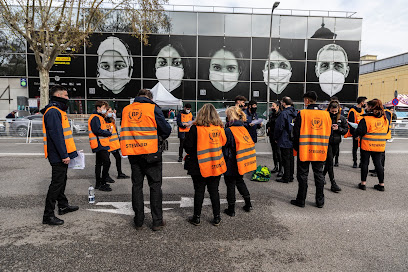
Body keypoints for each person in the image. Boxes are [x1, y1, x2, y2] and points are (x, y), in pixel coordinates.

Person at [120, 89, 171, 231]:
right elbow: (166, 130)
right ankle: (157, 221)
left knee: (137, 186)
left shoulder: (126, 109)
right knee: (155, 186)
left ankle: (138, 221)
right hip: (151, 153)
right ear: (150, 97)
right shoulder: (153, 108)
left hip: (133, 152)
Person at [40, 85, 79, 225]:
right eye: (66, 96)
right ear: (59, 95)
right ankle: (48, 215)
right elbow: (57, 136)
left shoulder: (57, 111)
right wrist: (64, 155)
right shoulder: (53, 112)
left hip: (60, 154)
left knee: (61, 181)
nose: (68, 98)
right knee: (56, 184)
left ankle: (63, 205)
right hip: (57, 155)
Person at [184, 103, 227, 226]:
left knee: (199, 191)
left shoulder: (195, 128)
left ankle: (196, 217)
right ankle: (217, 217)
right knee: (214, 191)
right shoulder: (219, 128)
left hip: (199, 164)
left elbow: (188, 147)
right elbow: (224, 143)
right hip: (216, 163)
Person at [291, 91, 332, 208]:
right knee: (319, 175)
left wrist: (296, 148)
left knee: (302, 175)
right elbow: (330, 132)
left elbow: (296, 133)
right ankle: (320, 201)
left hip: (305, 149)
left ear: (307, 101)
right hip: (320, 149)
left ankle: (301, 200)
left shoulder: (302, 113)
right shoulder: (326, 114)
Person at [223, 106, 255, 217]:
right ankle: (248, 203)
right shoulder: (243, 128)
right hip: (241, 160)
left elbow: (224, 145)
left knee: (230, 185)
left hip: (230, 161)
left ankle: (231, 209)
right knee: (240, 181)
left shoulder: (228, 130)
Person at [355, 99, 389, 191]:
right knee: (378, 164)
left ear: (370, 107)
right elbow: (386, 131)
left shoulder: (366, 119)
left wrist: (356, 131)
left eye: (367, 106)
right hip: (379, 145)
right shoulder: (384, 118)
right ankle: (381, 184)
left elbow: (360, 131)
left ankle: (363, 184)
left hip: (367, 145)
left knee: (365, 163)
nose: (365, 107)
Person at [323, 100, 348, 192]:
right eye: (332, 111)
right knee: (330, 161)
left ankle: (322, 175)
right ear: (329, 109)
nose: (334, 113)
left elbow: (346, 130)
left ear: (338, 110)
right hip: (327, 142)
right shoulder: (325, 117)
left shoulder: (341, 118)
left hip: (336, 142)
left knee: (330, 161)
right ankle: (333, 183)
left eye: (335, 111)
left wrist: (339, 129)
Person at [88, 100, 113, 192]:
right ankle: (102, 182)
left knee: (99, 164)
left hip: (100, 143)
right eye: (103, 108)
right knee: (106, 162)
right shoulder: (95, 117)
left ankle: (99, 183)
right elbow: (97, 130)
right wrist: (108, 133)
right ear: (98, 108)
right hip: (100, 144)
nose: (105, 110)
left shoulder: (99, 117)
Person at [274, 97, 297, 183]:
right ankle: (290, 176)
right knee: (291, 158)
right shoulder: (295, 112)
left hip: (284, 138)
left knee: (285, 159)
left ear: (283, 103)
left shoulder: (284, 113)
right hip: (292, 138)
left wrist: (276, 137)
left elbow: (279, 127)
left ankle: (286, 177)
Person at [105, 107, 129, 179]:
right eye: (109, 111)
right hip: (108, 144)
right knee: (107, 161)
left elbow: (115, 132)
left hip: (114, 144)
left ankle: (120, 173)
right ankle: (106, 175)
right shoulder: (104, 121)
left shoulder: (112, 121)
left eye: (111, 111)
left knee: (118, 158)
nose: (111, 113)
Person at [345, 96, 367, 168]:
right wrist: (355, 134)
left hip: (361, 133)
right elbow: (351, 124)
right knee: (355, 148)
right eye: (365, 102)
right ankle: (355, 162)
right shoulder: (352, 111)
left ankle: (361, 162)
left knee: (362, 148)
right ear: (362, 102)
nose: (365, 104)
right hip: (355, 133)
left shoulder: (363, 110)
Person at [266, 101, 282, 174]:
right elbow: (269, 123)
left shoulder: (281, 115)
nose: (272, 107)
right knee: (274, 152)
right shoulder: (272, 115)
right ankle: (276, 166)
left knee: (279, 153)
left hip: (278, 136)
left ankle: (281, 169)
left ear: (278, 106)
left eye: (273, 106)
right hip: (272, 135)